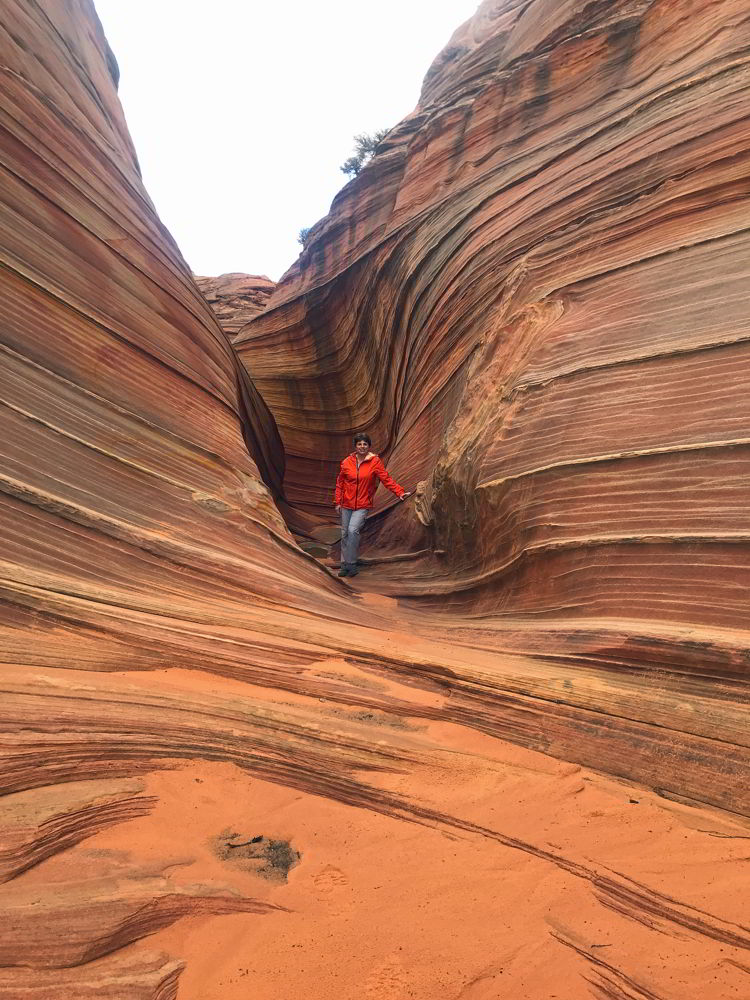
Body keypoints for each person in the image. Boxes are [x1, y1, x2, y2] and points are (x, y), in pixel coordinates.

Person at [334, 434, 410, 577]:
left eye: (365, 444)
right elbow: (340, 483)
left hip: (363, 504)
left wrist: (399, 492)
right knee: (344, 534)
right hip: (346, 504)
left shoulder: (374, 462)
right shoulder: (346, 462)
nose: (362, 447)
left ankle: (351, 564)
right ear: (355, 446)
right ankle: (344, 565)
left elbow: (386, 479)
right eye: (359, 444)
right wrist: (337, 502)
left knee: (353, 531)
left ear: (369, 446)